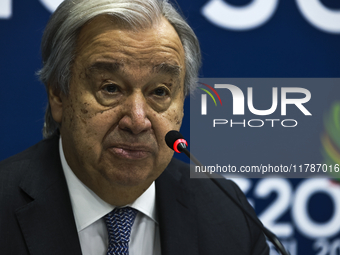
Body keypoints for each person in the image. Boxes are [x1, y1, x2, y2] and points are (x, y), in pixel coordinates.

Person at [0, 0, 269, 254]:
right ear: (58, 94)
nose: (138, 121)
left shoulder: (228, 216)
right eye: (111, 88)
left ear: (182, 104)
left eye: (160, 92)